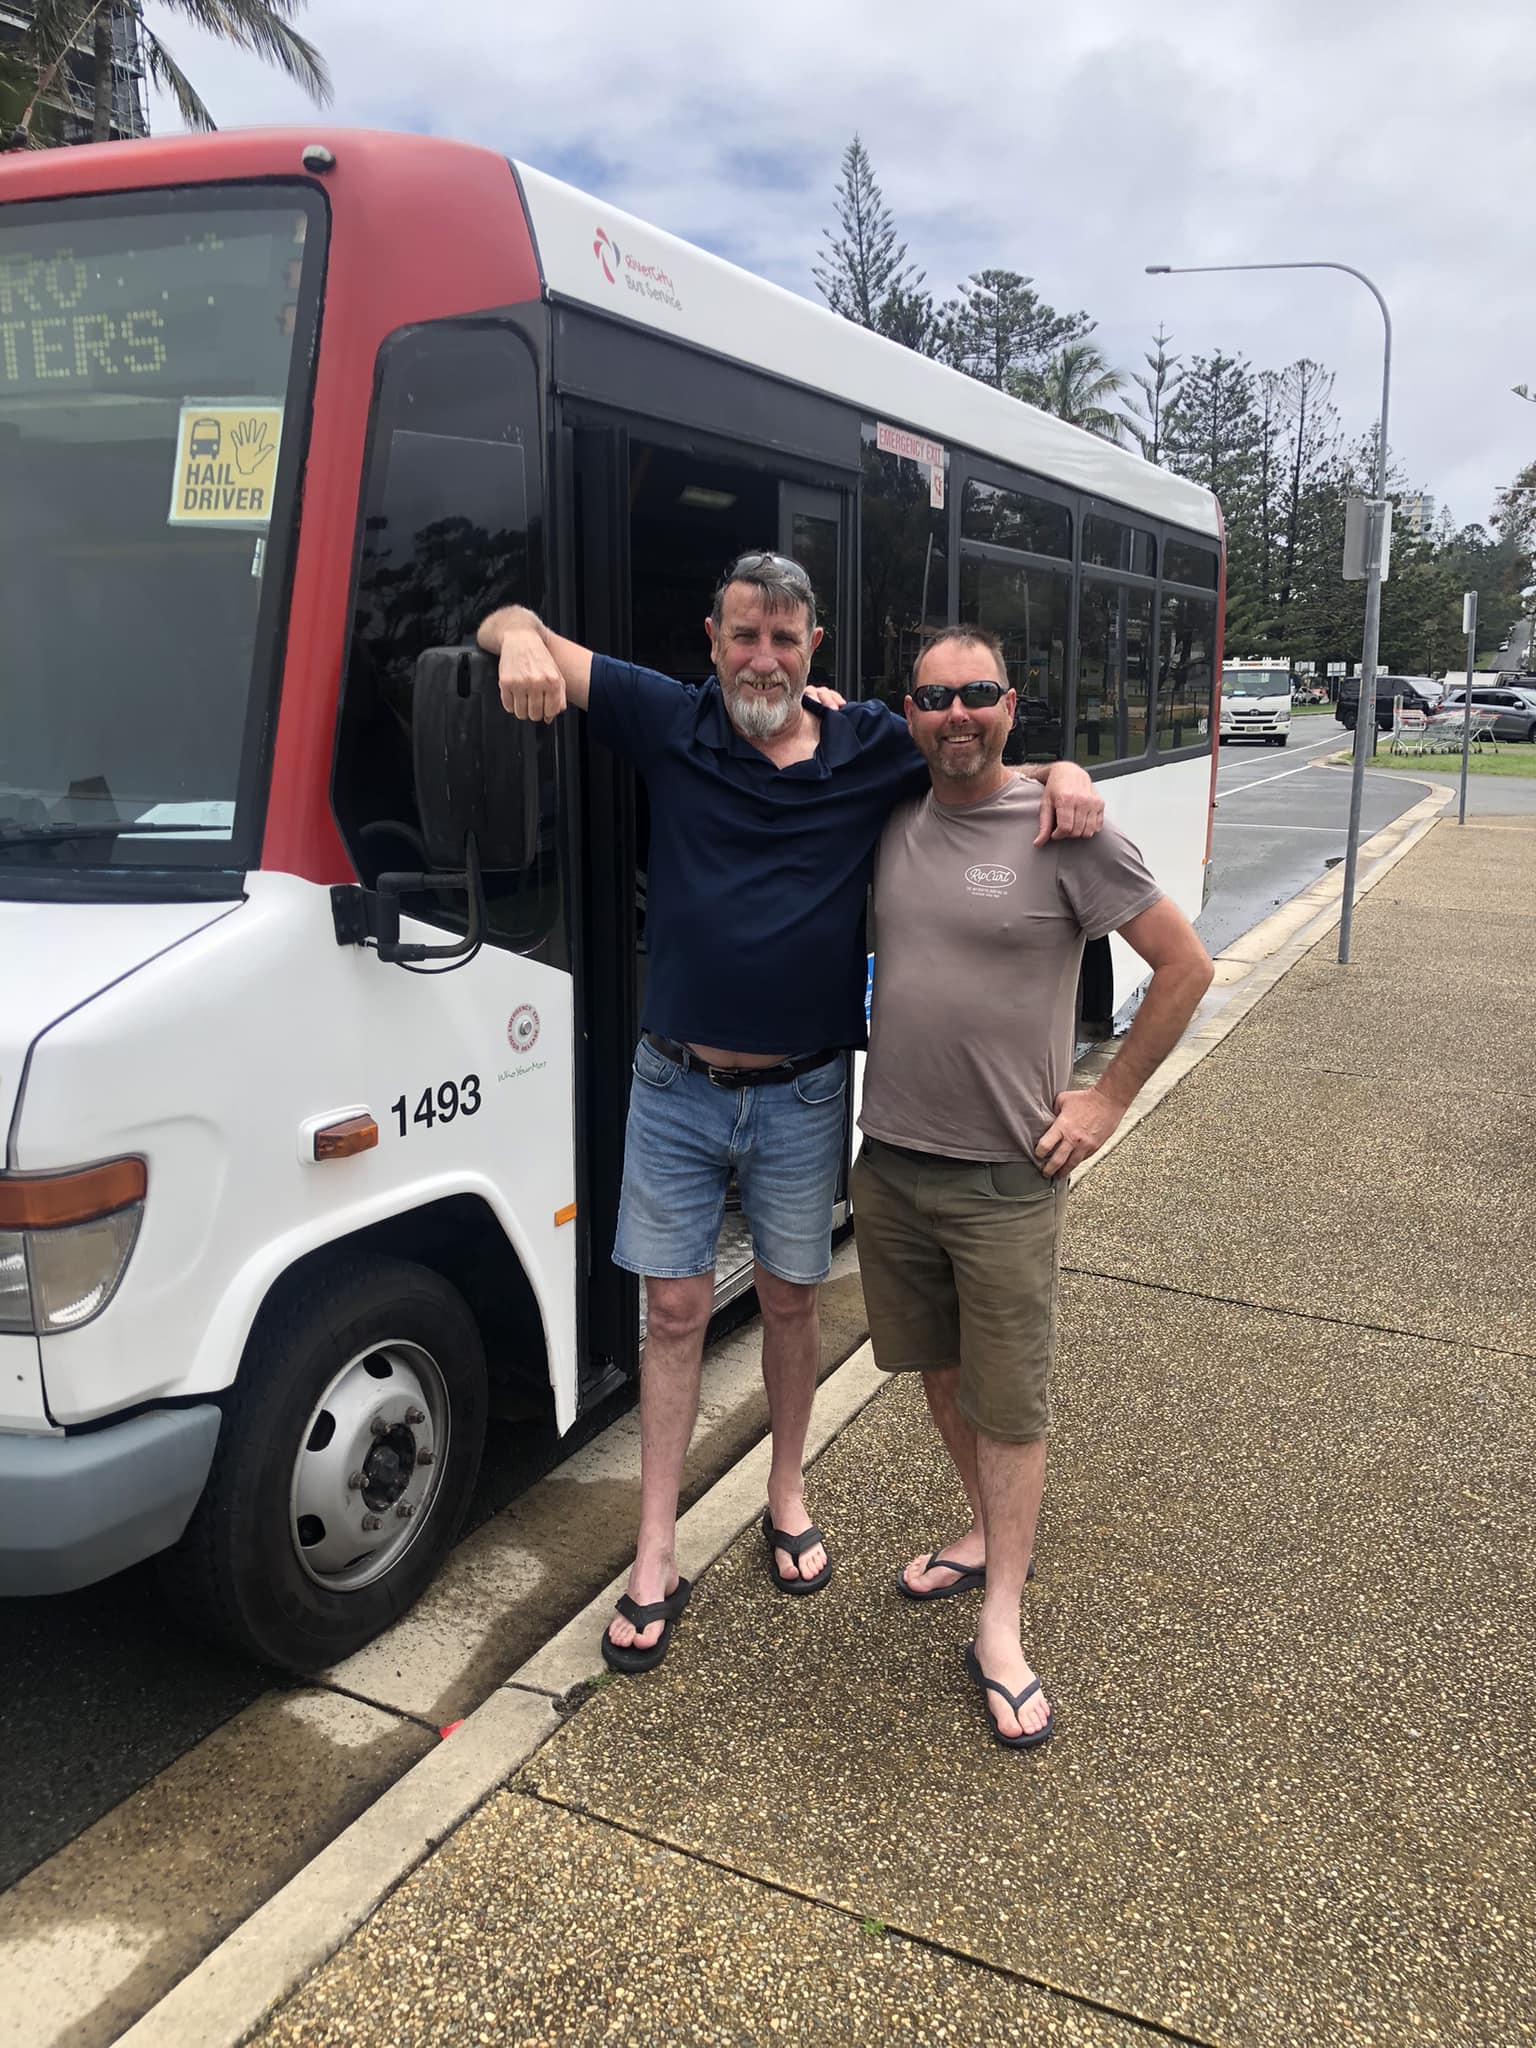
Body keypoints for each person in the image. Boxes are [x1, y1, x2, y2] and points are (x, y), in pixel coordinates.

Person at [478, 558, 1104, 1673]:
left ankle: (786, 1488)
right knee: (672, 1313)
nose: (763, 658)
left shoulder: (868, 742)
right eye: (744, 635)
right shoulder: (669, 718)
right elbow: (510, 622)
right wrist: (516, 633)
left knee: (788, 1300)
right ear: (711, 639)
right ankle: (656, 1547)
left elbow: (973, 742)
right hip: (673, 1083)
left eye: (785, 638)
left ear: (815, 649)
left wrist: (1070, 770)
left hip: (808, 1088)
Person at [851, 625, 1214, 1750]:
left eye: (976, 695)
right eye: (931, 697)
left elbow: (1186, 966)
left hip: (1008, 1174)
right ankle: (980, 1533)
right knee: (940, 1370)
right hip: (894, 1159)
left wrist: (1104, 1101)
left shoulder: (1066, 826)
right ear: (906, 711)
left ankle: (1001, 1618)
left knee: (1011, 1401)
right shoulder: (890, 814)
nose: (954, 714)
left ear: (1014, 703)